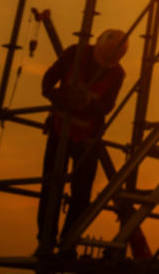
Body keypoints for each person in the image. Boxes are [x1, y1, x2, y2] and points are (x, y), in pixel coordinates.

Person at [36, 29, 128, 255]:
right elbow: (48, 83)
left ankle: (70, 241)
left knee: (82, 192)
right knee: (51, 185)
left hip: (87, 135)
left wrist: (87, 104)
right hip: (61, 127)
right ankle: (46, 241)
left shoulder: (116, 73)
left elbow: (107, 106)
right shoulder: (75, 54)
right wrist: (61, 97)